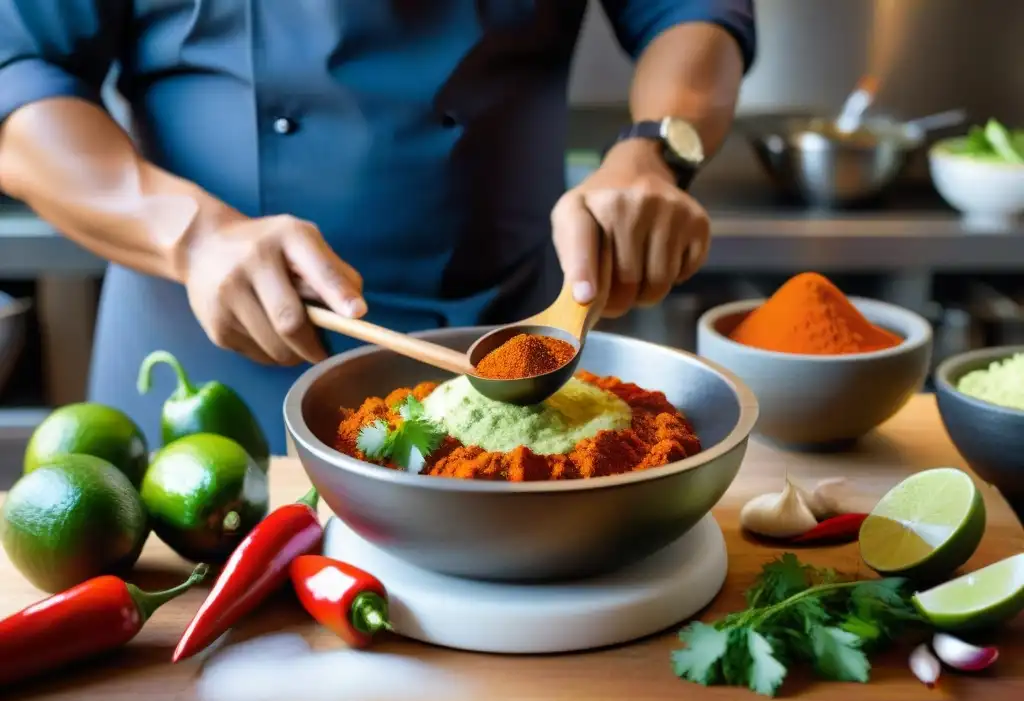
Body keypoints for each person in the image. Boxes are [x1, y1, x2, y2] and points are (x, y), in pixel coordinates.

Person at [0, 1, 756, 454]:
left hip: (512, 326)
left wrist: (656, 150)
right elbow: (19, 72)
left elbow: (692, 11)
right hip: (209, 376)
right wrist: (191, 236)